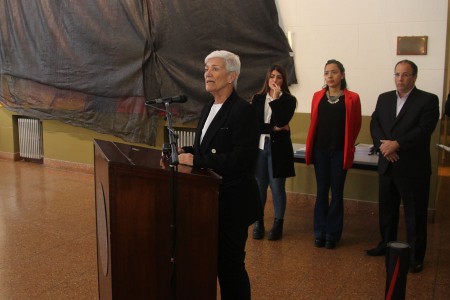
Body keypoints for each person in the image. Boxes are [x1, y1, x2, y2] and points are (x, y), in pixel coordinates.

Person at [178, 50, 260, 299]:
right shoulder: (208, 107)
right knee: (211, 264)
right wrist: (188, 150)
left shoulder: (242, 111)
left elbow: (242, 159)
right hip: (208, 201)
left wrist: (197, 159)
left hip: (232, 202)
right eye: (206, 68)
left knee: (230, 268)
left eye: (215, 68)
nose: (207, 73)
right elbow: (208, 146)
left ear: (231, 76)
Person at [367, 60, 439, 273]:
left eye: (405, 75)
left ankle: (415, 256)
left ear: (414, 77)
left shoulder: (427, 100)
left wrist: (397, 144)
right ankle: (386, 245)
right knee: (387, 210)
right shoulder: (384, 98)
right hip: (387, 164)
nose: (400, 79)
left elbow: (424, 130)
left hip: (412, 168)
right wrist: (384, 147)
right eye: (397, 74)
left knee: (414, 215)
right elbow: (375, 123)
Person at [305, 59, 362, 249]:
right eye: (327, 72)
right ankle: (319, 232)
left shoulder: (352, 97)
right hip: (321, 151)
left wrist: (347, 147)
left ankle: (332, 234)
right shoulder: (317, 96)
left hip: (339, 152)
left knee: (337, 193)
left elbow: (355, 126)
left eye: (334, 72)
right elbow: (314, 122)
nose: (330, 76)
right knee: (321, 192)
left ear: (342, 75)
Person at [250, 65, 297, 241]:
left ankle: (278, 224)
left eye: (279, 77)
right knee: (259, 188)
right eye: (272, 76)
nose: (275, 80)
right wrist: (274, 128)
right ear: (267, 79)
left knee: (277, 187)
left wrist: (276, 100)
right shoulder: (257, 98)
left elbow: (282, 120)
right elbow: (255, 126)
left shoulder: (289, 100)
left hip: (279, 150)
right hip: (260, 148)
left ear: (283, 80)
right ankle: (258, 222)